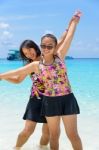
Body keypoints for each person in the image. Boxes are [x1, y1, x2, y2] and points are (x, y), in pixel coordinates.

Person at [0, 11, 83, 150]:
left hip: (56, 98)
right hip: (38, 98)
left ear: (35, 47)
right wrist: (2, 78)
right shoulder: (31, 66)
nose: (29, 54)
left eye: (30, 50)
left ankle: (41, 148)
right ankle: (16, 147)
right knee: (31, 131)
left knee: (50, 133)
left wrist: (71, 24)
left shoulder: (54, 55)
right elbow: (17, 77)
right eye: (25, 53)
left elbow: (64, 38)